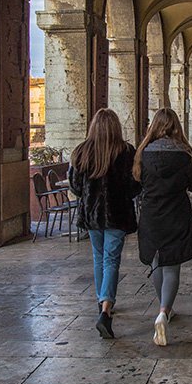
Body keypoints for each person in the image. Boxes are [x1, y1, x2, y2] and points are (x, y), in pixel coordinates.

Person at [69, 108, 141, 339]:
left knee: (98, 258)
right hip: (117, 215)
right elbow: (134, 186)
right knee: (111, 260)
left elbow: (75, 187)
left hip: (92, 215)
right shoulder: (126, 151)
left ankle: (102, 300)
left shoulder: (81, 151)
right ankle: (106, 309)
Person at [133, 108, 192, 346]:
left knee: (156, 261)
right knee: (172, 264)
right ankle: (164, 311)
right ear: (176, 126)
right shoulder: (187, 154)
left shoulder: (142, 153)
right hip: (176, 212)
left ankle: (163, 308)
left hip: (151, 214)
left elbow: (137, 181)